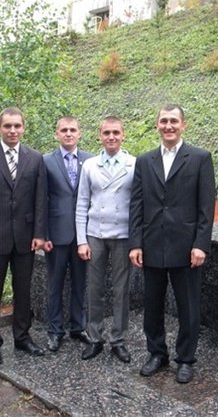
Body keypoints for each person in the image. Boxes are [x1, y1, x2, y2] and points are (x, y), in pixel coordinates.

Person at [128, 104, 216, 384]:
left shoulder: (200, 158)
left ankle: (186, 359)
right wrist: (135, 243)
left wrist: (201, 244)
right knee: (152, 304)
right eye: (164, 121)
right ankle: (157, 353)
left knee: (188, 306)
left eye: (174, 121)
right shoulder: (145, 161)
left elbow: (206, 206)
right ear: (157, 125)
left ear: (183, 125)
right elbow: (136, 204)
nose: (169, 126)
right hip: (152, 244)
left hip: (186, 247)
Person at [0, 107, 48, 365]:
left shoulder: (35, 158)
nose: (13, 131)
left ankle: (22, 337)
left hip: (26, 238)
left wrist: (39, 233)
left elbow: (40, 199)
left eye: (17, 126)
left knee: (23, 290)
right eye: (7, 126)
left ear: (23, 128)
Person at [75, 116, 136, 363]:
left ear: (123, 135)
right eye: (107, 133)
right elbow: (82, 202)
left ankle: (118, 339)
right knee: (95, 288)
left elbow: (138, 204)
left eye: (116, 132)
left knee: (121, 290)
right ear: (99, 135)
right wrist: (81, 240)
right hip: (95, 234)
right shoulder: (90, 165)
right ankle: (95, 338)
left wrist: (137, 241)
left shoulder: (134, 164)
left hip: (123, 234)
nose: (111, 137)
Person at [43, 116, 93, 352]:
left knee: (80, 283)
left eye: (73, 130)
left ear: (79, 133)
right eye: (64, 130)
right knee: (55, 284)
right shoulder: (46, 161)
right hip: (56, 234)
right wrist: (43, 234)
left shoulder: (90, 160)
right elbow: (41, 200)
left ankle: (78, 326)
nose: (69, 133)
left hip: (83, 235)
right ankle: (55, 331)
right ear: (57, 134)